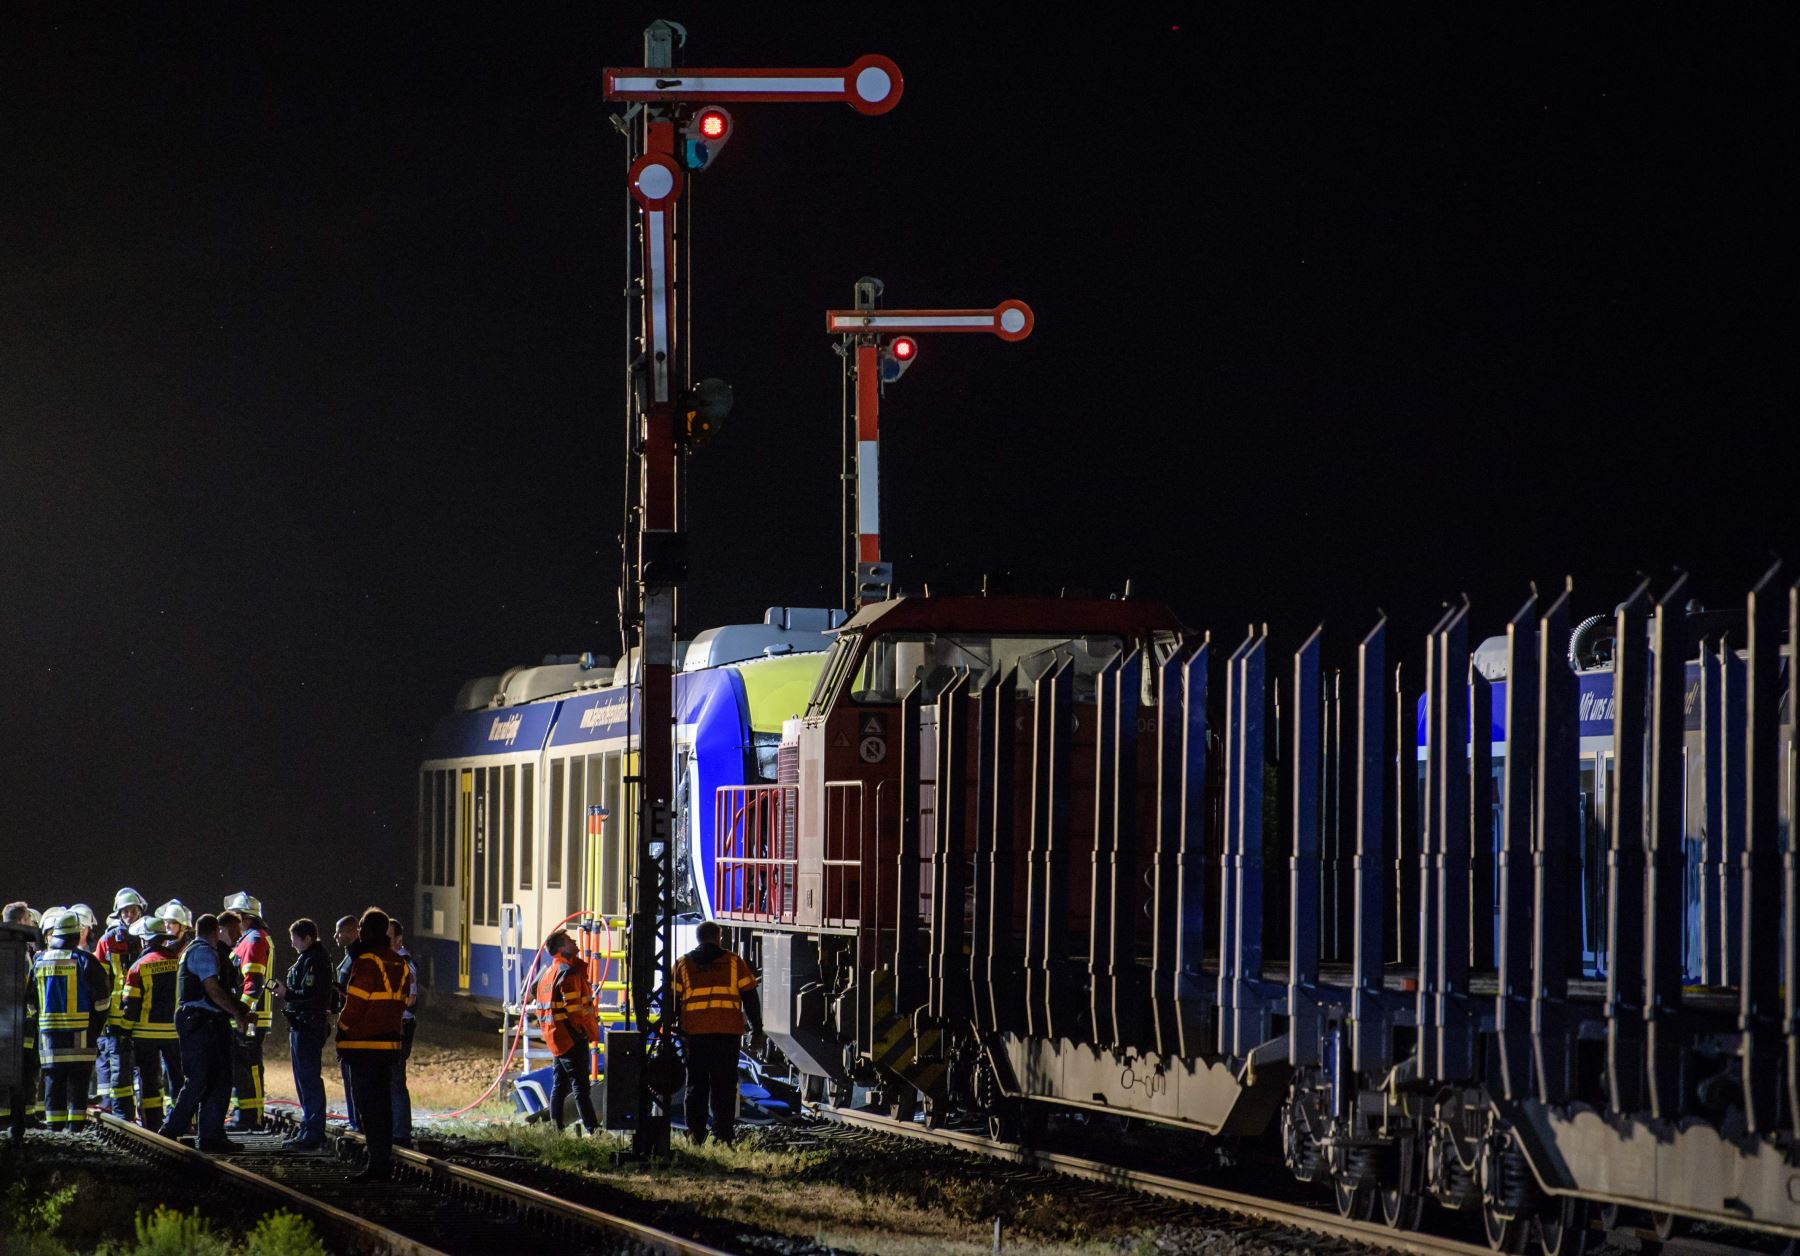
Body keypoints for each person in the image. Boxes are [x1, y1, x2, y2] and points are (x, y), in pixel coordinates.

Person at [159, 913, 252, 1152]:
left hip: (207, 1021)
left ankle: (210, 1136)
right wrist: (237, 1013)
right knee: (200, 1078)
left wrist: (239, 1010)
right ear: (218, 930)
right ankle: (171, 1130)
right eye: (235, 931)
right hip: (201, 1022)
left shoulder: (205, 951)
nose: (238, 936)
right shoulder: (203, 952)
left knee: (218, 1079)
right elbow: (213, 989)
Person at [336, 907, 410, 1182]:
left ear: (367, 931)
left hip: (362, 1046)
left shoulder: (367, 961)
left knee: (367, 1106)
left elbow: (355, 1004)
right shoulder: (399, 963)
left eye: (362, 928)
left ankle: (376, 1163)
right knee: (383, 1105)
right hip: (388, 1046)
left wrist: (342, 1030)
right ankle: (382, 1160)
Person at [672, 921, 762, 1146]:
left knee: (696, 1085)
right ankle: (722, 1136)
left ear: (698, 938)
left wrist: (674, 1031)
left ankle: (696, 1134)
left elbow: (672, 1002)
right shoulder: (734, 962)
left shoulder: (683, 964)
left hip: (695, 1034)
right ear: (718, 937)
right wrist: (757, 1029)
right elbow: (750, 997)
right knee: (724, 1086)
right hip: (727, 1033)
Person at [33, 909, 112, 1131]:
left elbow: (30, 999)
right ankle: (75, 1130)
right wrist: (95, 1027)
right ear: (76, 936)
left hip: (49, 1038)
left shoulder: (39, 960)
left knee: (53, 1081)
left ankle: (55, 1131)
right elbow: (103, 1000)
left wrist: (42, 1023)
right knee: (79, 1082)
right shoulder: (85, 960)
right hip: (81, 1036)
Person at [120, 902, 190, 1129]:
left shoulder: (138, 967)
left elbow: (131, 1006)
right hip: (175, 1033)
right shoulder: (179, 962)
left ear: (144, 940)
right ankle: (183, 1122)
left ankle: (152, 1124)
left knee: (150, 1081)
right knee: (179, 1079)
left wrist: (123, 1030)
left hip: (145, 1036)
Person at [271, 917, 333, 1150]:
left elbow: (311, 995)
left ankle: (313, 1133)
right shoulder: (308, 958)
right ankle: (308, 1129)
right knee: (303, 1080)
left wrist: (287, 994)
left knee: (309, 1080)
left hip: (308, 1025)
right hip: (301, 1025)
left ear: (307, 938)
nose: (292, 944)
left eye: (295, 939)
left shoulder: (315, 961)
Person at [534, 930, 599, 1136]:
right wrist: (583, 1030)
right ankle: (593, 1130)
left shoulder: (547, 974)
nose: (574, 942)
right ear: (562, 948)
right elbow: (574, 1011)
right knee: (581, 1087)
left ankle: (556, 1129)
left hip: (557, 1038)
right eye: (570, 940)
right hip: (572, 1038)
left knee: (560, 1086)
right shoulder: (567, 973)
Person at [93, 888, 148, 1119]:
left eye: (132, 910)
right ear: (118, 913)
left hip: (145, 1014)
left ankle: (146, 1115)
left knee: (145, 1067)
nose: (129, 915)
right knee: (120, 1068)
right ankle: (123, 1114)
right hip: (117, 1015)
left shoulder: (148, 936)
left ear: (140, 911)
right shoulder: (107, 941)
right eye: (124, 911)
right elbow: (99, 979)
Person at [220, 892, 272, 1131]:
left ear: (247, 918)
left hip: (249, 1017)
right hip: (247, 1016)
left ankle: (251, 1118)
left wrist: (240, 1012)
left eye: (237, 917)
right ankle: (244, 1115)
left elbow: (253, 982)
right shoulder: (250, 939)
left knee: (248, 1067)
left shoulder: (254, 940)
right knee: (242, 1067)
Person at [2, 903, 44, 1128]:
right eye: (28, 919)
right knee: (25, 1068)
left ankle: (9, 1117)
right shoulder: (20, 951)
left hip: (7, 1021)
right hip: (21, 1022)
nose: (31, 923)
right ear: (20, 921)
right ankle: (21, 1118)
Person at [386, 917, 419, 1148]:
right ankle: (394, 1129)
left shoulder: (404, 963)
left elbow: (411, 999)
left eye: (388, 937)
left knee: (396, 1081)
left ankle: (401, 1132)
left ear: (399, 940)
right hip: (392, 1025)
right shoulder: (390, 960)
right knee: (389, 1080)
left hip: (399, 1027)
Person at [332, 914, 360, 1130]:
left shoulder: (357, 957)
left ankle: (358, 1122)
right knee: (348, 1075)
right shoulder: (349, 956)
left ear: (353, 932)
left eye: (340, 932)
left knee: (353, 1076)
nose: (336, 937)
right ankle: (354, 1120)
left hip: (354, 1026)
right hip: (346, 1021)